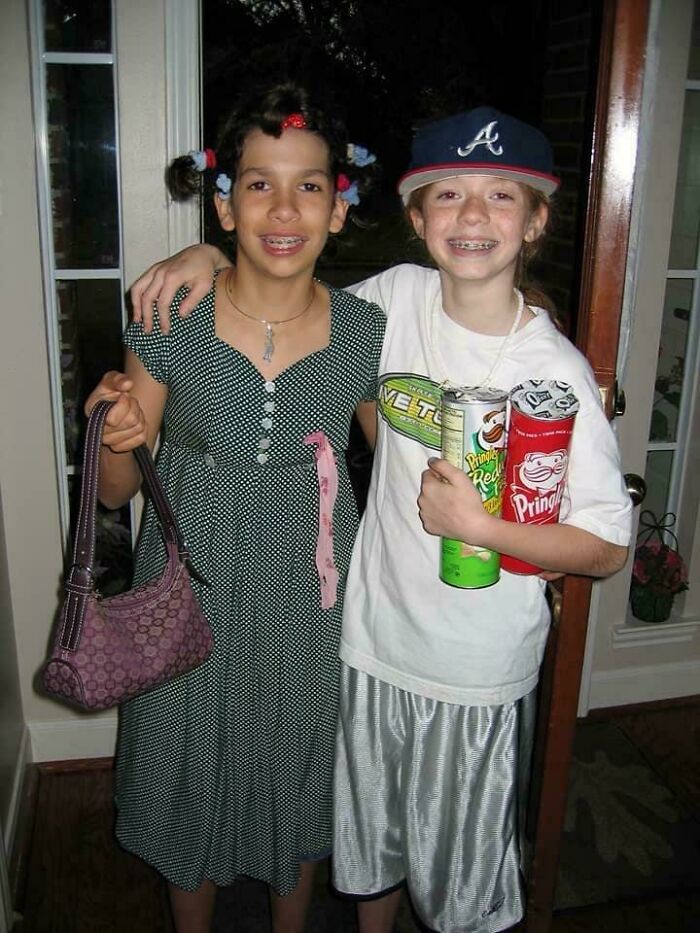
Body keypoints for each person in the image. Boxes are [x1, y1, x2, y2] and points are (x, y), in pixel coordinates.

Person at [129, 106, 632, 933]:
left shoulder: (556, 372)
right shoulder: (394, 300)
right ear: (417, 218)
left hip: (474, 667)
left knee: (462, 876)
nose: (473, 215)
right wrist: (207, 253)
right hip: (369, 643)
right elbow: (283, 278)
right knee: (370, 851)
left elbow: (608, 544)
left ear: (537, 220)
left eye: (502, 195)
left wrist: (491, 530)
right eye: (450, 194)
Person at [85, 82, 384, 933]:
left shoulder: (367, 330)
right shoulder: (169, 317)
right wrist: (114, 434)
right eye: (259, 184)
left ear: (338, 208)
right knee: (188, 768)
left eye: (309, 186)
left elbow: (405, 472)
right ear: (224, 206)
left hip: (311, 604)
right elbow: (115, 490)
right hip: (190, 593)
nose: (283, 208)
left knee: (298, 760)